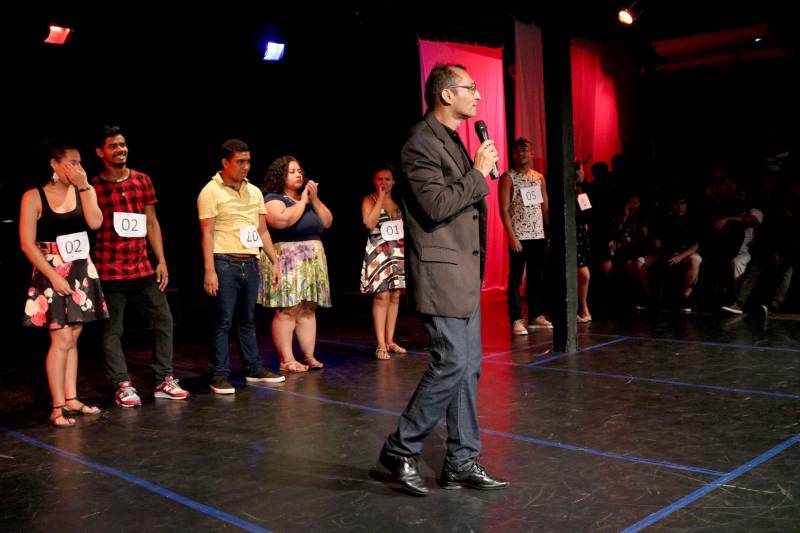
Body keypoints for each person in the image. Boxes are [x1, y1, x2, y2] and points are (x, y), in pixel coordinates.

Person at [379, 64, 509, 495]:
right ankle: (400, 449)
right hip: (440, 270)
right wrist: (476, 173)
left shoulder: (452, 138)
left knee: (467, 368)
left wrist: (476, 170)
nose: (478, 95)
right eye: (471, 88)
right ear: (446, 96)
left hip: (464, 270)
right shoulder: (420, 142)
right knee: (451, 361)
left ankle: (460, 459)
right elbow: (435, 205)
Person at [92, 126, 188, 407]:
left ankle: (164, 379)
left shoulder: (142, 180)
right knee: (113, 330)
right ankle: (122, 385)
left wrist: (161, 260)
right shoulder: (94, 187)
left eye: (123, 144)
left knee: (164, 321)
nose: (121, 149)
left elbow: (151, 222)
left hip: (142, 267)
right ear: (101, 152)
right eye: (113, 146)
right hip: (109, 269)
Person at [20, 140, 107, 427]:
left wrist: (85, 188)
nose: (78, 168)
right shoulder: (34, 196)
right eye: (72, 162)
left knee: (74, 338)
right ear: (55, 164)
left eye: (80, 162)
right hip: (51, 269)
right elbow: (27, 243)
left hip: (80, 269)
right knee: (60, 339)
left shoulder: (85, 191)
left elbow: (95, 223)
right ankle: (58, 406)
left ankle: (71, 397)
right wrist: (53, 275)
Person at [197, 139, 285, 394]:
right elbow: (207, 234)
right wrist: (209, 270)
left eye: (248, 161)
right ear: (225, 163)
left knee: (247, 319)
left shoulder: (254, 192)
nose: (246, 166)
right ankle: (219, 374)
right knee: (223, 320)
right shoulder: (210, 191)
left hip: (251, 262)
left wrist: (274, 261)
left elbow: (262, 230)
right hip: (225, 262)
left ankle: (253, 367)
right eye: (240, 162)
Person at [259, 156, 333, 373]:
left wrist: (315, 199)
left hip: (312, 258)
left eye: (300, 170)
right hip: (288, 257)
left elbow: (327, 221)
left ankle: (309, 356)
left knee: (308, 307)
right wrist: (302, 202)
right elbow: (281, 220)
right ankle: (286, 359)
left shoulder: (309, 200)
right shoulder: (273, 198)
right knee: (288, 309)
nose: (299, 174)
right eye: (292, 171)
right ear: (280, 175)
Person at [498, 137, 551, 335]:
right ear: (512, 154)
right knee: (516, 278)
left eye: (525, 150)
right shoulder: (508, 177)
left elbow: (545, 207)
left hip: (538, 234)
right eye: (518, 151)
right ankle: (516, 318)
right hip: (519, 235)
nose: (522, 154)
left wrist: (548, 231)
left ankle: (536, 315)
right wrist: (511, 235)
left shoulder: (538, 177)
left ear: (531, 153)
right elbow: (504, 209)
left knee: (537, 277)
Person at [360, 164, 406, 359]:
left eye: (387, 179)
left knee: (395, 295)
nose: (384, 183)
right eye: (380, 179)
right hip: (378, 252)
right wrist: (380, 198)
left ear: (393, 182)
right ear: (374, 181)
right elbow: (369, 223)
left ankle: (390, 340)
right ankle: (380, 344)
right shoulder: (369, 200)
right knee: (382, 296)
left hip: (396, 252)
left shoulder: (398, 203)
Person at [574, 159, 593, 322]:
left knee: (583, 274)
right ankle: (580, 306)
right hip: (569, 234)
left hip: (581, 235)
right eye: (581, 170)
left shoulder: (581, 189)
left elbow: (587, 213)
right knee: (582, 273)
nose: (583, 173)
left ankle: (583, 306)